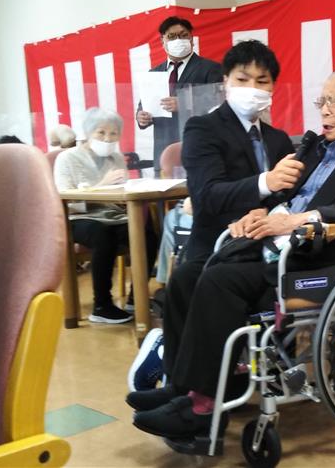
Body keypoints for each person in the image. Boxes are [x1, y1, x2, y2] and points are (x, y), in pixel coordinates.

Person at [127, 68, 335, 446]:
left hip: (325, 258)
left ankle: (201, 409)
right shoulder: (318, 148)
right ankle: (181, 386)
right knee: (188, 275)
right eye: (321, 101)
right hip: (281, 245)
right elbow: (287, 195)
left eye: (334, 102)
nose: (324, 110)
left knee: (220, 281)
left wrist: (300, 219)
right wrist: (261, 212)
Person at [126, 40, 296, 392]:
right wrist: (264, 183)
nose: (252, 88)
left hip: (266, 244)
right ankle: (179, 383)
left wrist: (265, 211)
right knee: (187, 280)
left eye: (262, 81)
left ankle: (235, 377)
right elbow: (206, 196)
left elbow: (291, 197)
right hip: (217, 241)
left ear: (272, 87)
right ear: (225, 82)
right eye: (243, 79)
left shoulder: (279, 140)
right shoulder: (202, 129)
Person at [54, 108, 157, 324]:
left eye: (113, 133)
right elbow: (65, 199)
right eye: (101, 132)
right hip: (77, 218)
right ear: (88, 132)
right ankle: (102, 305)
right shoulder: (67, 158)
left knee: (146, 234)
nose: (107, 138)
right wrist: (101, 185)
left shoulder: (116, 158)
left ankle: (136, 298)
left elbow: (119, 195)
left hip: (112, 215)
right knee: (103, 235)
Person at [136, 16, 223, 173]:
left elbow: (219, 102)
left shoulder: (210, 68)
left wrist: (185, 103)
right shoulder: (153, 73)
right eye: (171, 36)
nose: (178, 40)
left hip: (199, 149)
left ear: (192, 39)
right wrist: (141, 117)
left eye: (183, 35)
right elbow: (144, 106)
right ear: (162, 41)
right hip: (163, 154)